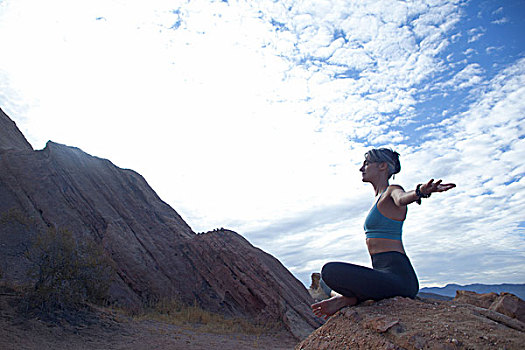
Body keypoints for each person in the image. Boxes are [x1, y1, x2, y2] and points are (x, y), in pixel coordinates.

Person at [311, 148, 456, 319]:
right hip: (380, 272)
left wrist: (420, 192)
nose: (361, 168)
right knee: (324, 280)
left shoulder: (391, 191)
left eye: (366, 163)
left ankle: (348, 299)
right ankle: (348, 298)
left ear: (382, 166)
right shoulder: (378, 198)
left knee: (330, 270)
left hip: (399, 278)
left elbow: (402, 198)